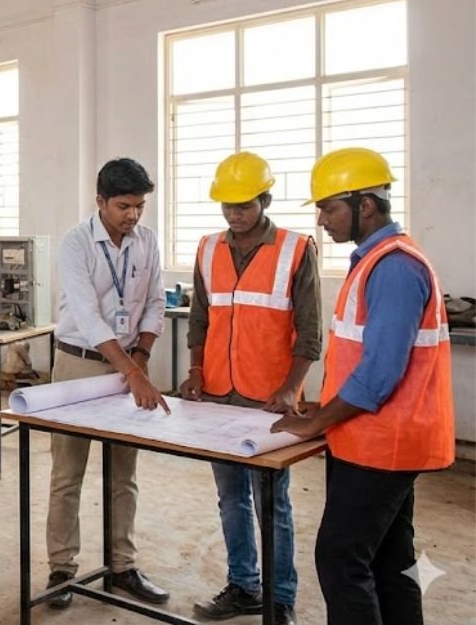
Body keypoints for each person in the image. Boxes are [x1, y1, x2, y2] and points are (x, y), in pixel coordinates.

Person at [273, 148, 453, 625]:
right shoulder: (376, 260)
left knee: (340, 559)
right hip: (371, 439)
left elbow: (379, 374)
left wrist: (314, 423)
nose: (321, 218)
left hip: (382, 444)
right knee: (391, 559)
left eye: (329, 207)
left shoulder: (393, 267)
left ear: (365, 205)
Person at [180, 153, 319, 625]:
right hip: (218, 394)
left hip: (269, 400)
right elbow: (200, 319)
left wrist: (291, 389)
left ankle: (279, 598)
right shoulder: (207, 248)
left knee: (271, 499)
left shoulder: (296, 249)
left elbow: (310, 331)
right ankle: (243, 586)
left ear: (265, 199)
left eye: (243, 205)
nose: (234, 214)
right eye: (226, 206)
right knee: (230, 495)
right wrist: (196, 371)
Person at [45, 157, 170, 609]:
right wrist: (133, 372)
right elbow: (87, 315)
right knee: (67, 472)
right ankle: (61, 568)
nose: (133, 215)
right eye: (123, 206)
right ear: (100, 201)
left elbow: (156, 302)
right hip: (79, 364)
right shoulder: (77, 243)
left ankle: (123, 566)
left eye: (139, 206)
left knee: (124, 473)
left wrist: (140, 358)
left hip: (128, 364)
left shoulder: (147, 242)